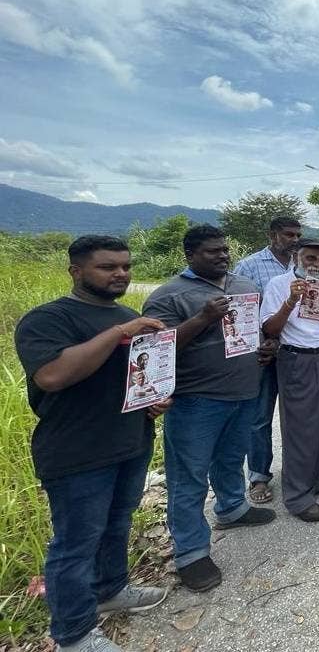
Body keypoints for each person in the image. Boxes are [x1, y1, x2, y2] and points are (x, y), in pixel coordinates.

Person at [15, 236, 170, 652]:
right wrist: (120, 332)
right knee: (74, 544)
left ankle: (111, 590)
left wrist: (153, 398)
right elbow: (52, 376)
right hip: (78, 451)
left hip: (130, 440)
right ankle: (74, 633)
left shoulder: (126, 313)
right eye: (107, 267)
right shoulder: (47, 320)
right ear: (76, 271)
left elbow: (134, 375)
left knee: (117, 524)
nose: (120, 273)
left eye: (125, 265)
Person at [143, 225, 277, 592]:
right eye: (211, 252)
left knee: (231, 458)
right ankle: (190, 552)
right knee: (188, 477)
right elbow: (155, 351)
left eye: (224, 250)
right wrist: (202, 318)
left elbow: (255, 331)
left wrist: (266, 346)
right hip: (196, 399)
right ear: (189, 255)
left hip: (244, 390)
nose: (221, 256)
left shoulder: (245, 286)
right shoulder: (168, 296)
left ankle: (232, 508)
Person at [260, 239, 319, 522]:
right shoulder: (278, 285)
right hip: (298, 360)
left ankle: (312, 475)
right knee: (300, 428)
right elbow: (271, 329)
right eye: (310, 258)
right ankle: (297, 496)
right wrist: (291, 301)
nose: (315, 264)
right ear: (296, 257)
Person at [233, 216, 301, 505]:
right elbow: (241, 314)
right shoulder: (249, 267)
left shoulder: (305, 267)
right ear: (273, 235)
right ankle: (259, 476)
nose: (295, 239)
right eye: (289, 234)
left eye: (298, 234)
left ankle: (301, 471)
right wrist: (263, 342)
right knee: (260, 418)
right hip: (264, 355)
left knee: (298, 416)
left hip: (298, 354)